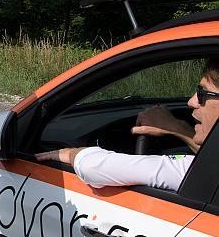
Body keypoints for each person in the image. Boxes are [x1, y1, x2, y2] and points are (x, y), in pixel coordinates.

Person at [36, 57, 219, 191]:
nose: (192, 102)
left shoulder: (191, 172)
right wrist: (176, 128)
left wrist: (72, 153)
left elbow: (93, 167)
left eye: (203, 93)